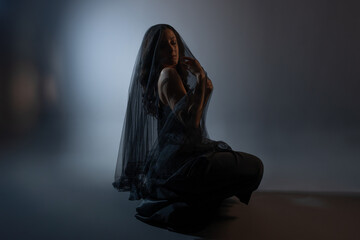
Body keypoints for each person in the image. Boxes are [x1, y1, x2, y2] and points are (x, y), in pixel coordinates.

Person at [112, 24, 264, 231]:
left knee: (238, 166)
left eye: (174, 43)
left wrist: (205, 90)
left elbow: (191, 119)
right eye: (164, 46)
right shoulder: (168, 75)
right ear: (155, 53)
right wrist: (201, 78)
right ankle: (191, 195)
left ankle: (195, 194)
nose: (172, 49)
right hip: (181, 164)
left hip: (174, 159)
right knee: (254, 167)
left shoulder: (165, 74)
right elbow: (192, 124)